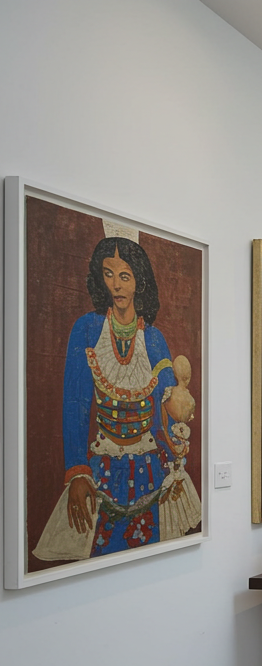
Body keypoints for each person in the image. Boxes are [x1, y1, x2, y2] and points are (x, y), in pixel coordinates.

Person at [32, 234, 199, 561]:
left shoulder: (153, 339)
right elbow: (75, 404)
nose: (117, 285)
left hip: (151, 469)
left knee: (153, 558)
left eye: (125, 276)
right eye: (109, 274)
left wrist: (177, 448)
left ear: (139, 281)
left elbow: (166, 409)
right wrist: (77, 470)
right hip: (102, 471)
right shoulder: (86, 329)